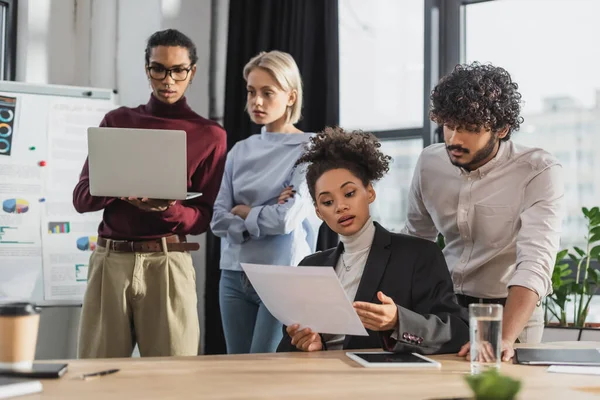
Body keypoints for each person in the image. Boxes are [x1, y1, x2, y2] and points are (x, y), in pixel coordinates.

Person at [73, 29, 227, 358]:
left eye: (178, 70)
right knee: (96, 376)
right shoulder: (117, 121)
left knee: (175, 379)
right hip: (110, 261)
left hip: (168, 263)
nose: (168, 79)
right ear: (147, 70)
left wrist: (165, 210)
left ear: (192, 72)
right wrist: (120, 188)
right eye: (158, 68)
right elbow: (82, 198)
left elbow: (204, 217)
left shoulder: (210, 135)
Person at [402, 63, 564, 361]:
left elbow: (535, 261)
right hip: (444, 309)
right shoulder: (429, 162)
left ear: (501, 128)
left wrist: (502, 338)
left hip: (508, 315)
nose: (454, 139)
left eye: (470, 129)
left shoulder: (538, 170)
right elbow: (415, 242)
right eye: (449, 125)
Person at [277, 127, 469, 354]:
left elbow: (457, 331)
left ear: (369, 192)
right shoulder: (310, 267)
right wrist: (311, 343)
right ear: (318, 212)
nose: (341, 207)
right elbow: (291, 341)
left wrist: (398, 321)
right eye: (328, 202)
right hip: (319, 379)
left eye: (349, 194)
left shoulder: (417, 255)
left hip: (381, 381)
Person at [210, 50, 320, 354]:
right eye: (251, 92)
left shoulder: (311, 148)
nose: (256, 101)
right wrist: (264, 213)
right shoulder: (239, 150)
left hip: (282, 274)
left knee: (265, 370)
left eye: (267, 92)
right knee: (238, 371)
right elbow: (218, 219)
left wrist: (244, 212)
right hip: (232, 274)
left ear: (290, 96)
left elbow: (286, 220)